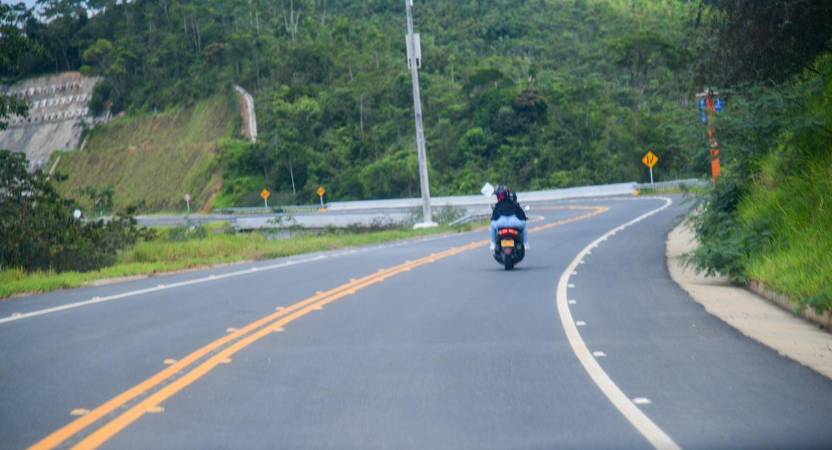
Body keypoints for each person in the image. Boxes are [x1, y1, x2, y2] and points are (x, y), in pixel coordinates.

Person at [490, 186, 529, 251]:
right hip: (515, 223)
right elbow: (521, 215)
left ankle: (493, 244)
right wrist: (524, 219)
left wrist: (493, 220)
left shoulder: (498, 205)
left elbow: (494, 217)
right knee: (524, 225)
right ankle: (526, 244)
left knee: (492, 225)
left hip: (501, 223)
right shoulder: (514, 203)